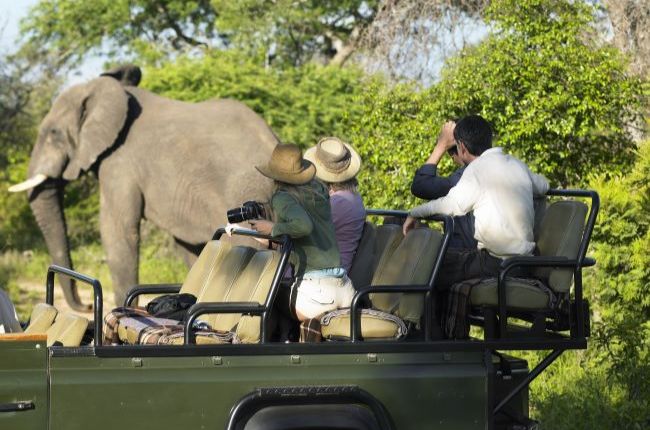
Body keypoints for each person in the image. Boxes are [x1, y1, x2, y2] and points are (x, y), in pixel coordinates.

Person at [403, 115, 549, 290]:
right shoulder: (516, 164)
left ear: (462, 147)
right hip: (524, 262)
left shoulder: (475, 170)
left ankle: (434, 318)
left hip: (495, 263)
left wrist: (414, 213)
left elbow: (451, 205)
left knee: (427, 266)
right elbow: (543, 185)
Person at [249, 143, 355, 321]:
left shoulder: (282, 197)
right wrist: (274, 236)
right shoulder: (319, 191)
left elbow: (304, 226)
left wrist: (273, 228)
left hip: (315, 294)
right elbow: (308, 235)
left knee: (266, 299)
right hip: (344, 287)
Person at [410, 120, 477, 249]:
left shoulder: (466, 176)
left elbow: (420, 185)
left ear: (460, 148)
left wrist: (441, 146)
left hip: (469, 258)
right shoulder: (504, 166)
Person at [304, 137, 365, 273]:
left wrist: (271, 230)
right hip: (325, 267)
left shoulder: (338, 202)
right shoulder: (349, 196)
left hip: (326, 273)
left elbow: (304, 232)